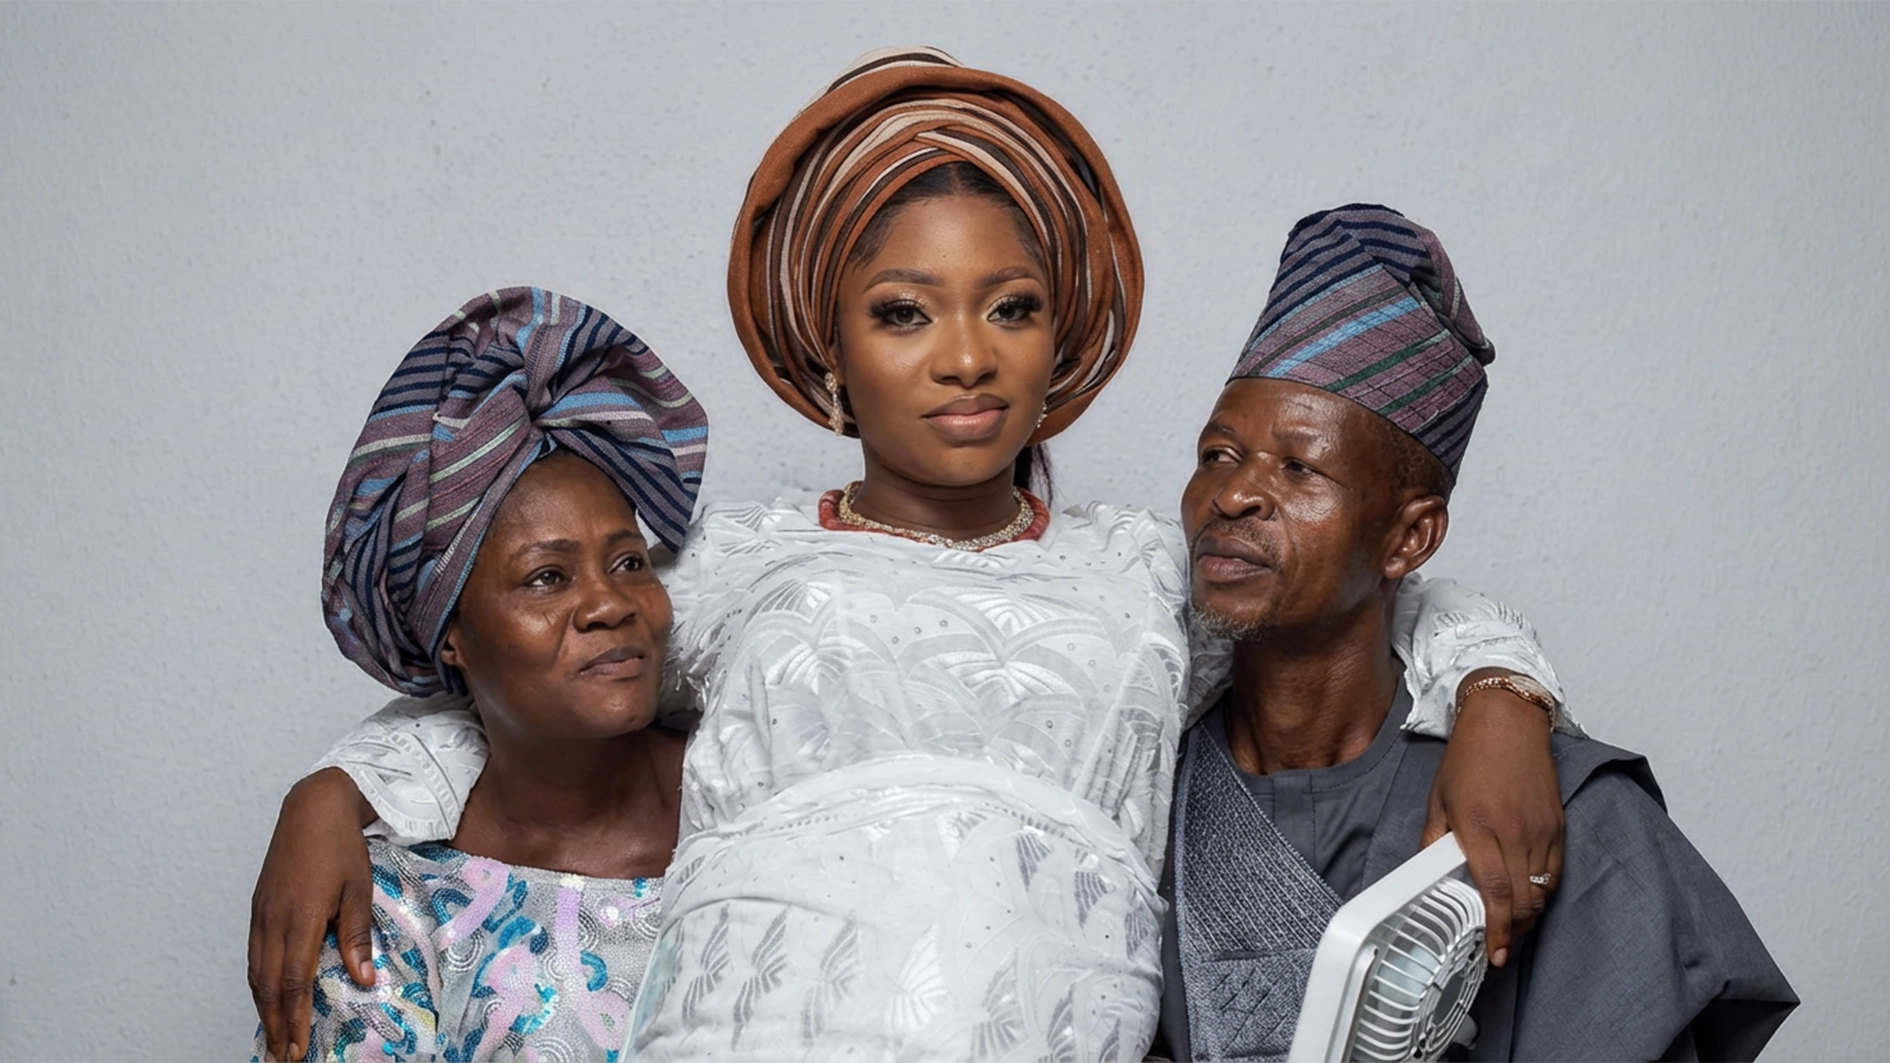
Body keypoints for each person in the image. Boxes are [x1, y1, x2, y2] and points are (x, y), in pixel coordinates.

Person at [250, 51, 1577, 1062]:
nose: (965, 357)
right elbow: (529, 680)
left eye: (1012, 308)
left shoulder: (1146, 576)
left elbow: (1377, 600)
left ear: (1059, 344)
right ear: (829, 350)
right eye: (903, 313)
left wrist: (1502, 697)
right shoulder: (734, 566)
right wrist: (337, 791)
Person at [1158, 205, 1797, 1062]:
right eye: (1217, 455)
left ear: (1410, 537)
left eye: (1300, 467)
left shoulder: (1557, 815)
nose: (1232, 495)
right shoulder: (1135, 783)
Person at [248, 288, 706, 1062]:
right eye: (546, 577)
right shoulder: (388, 904)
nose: (610, 603)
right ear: (451, 634)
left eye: (629, 561)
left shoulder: (752, 797)